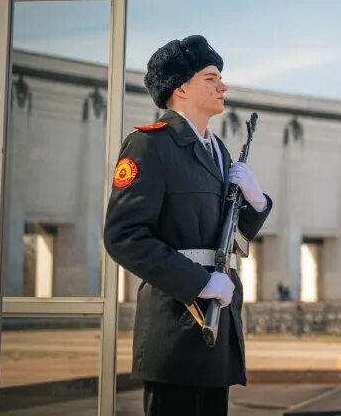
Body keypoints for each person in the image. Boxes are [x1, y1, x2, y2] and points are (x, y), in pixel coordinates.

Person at [103, 35, 273, 416]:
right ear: (180, 87)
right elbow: (123, 237)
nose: (222, 85)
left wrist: (258, 203)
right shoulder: (150, 146)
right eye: (211, 78)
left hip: (219, 322)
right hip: (177, 321)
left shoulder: (219, 151)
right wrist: (199, 281)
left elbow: (232, 238)